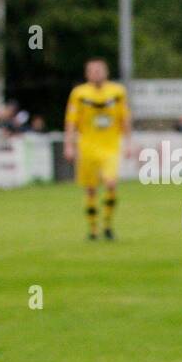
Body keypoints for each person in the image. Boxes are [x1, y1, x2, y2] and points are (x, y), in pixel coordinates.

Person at [64, 59, 131, 240]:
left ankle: (108, 225)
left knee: (110, 183)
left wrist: (129, 143)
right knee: (91, 189)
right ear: (87, 74)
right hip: (87, 147)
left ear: (106, 72)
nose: (96, 73)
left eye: (99, 70)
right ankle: (93, 230)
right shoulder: (79, 93)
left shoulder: (117, 92)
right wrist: (68, 145)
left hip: (110, 147)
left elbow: (124, 119)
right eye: (92, 71)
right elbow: (71, 121)